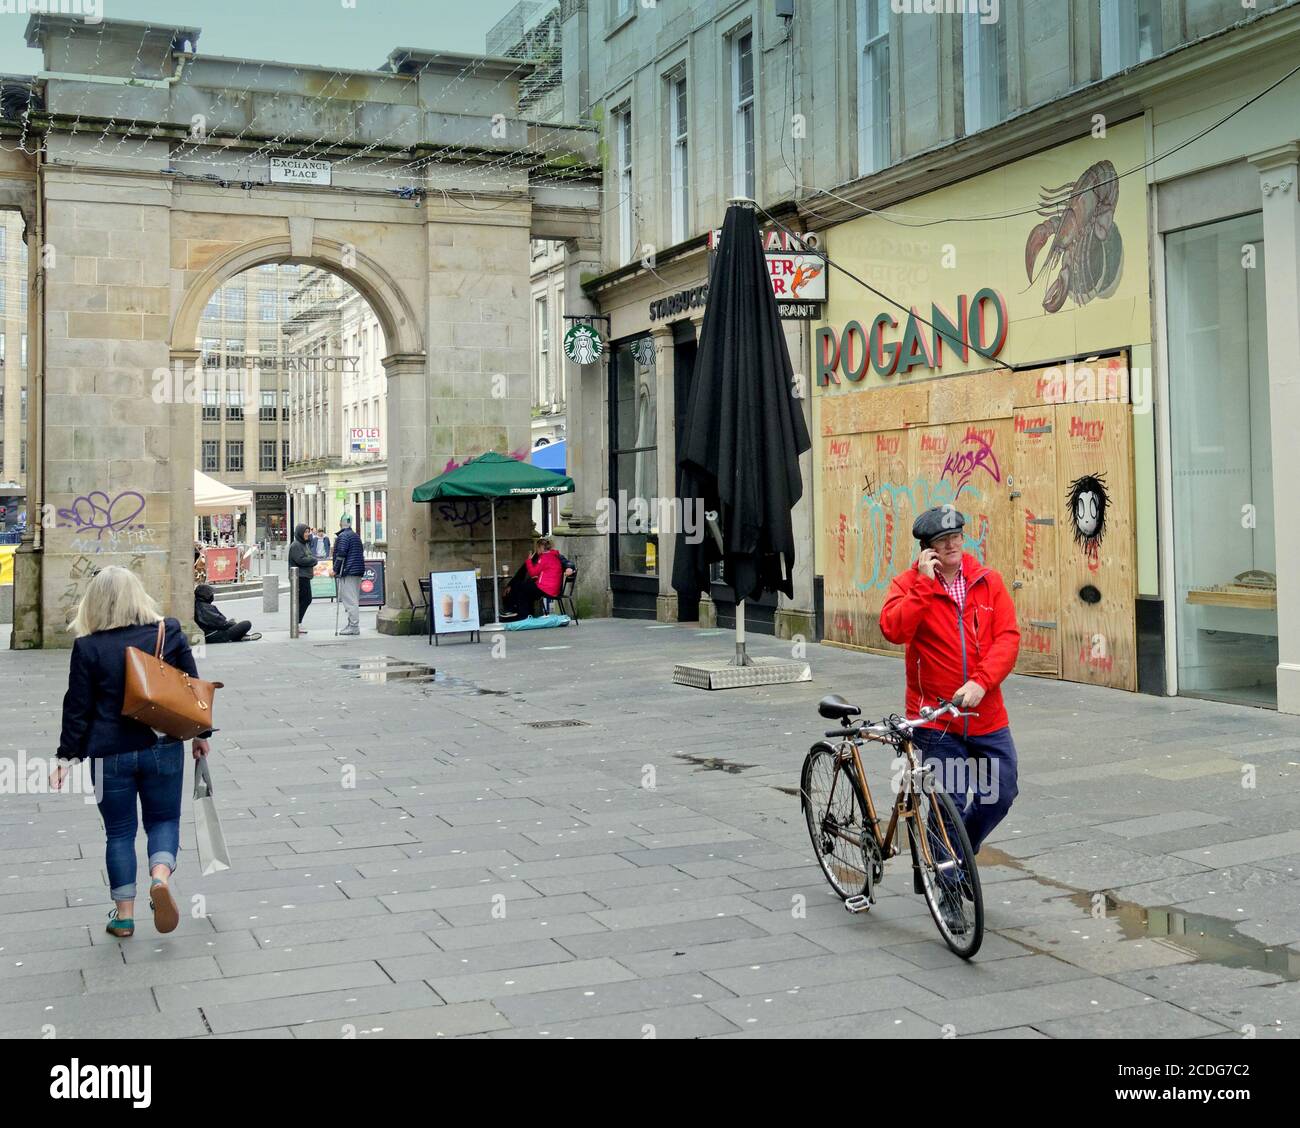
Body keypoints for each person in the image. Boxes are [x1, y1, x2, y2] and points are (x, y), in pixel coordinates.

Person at [51, 566, 212, 939]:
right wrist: (201, 735)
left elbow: (77, 708)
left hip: (110, 753)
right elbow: (192, 688)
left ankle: (123, 916)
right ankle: (160, 877)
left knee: (119, 832)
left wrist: (65, 758)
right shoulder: (167, 632)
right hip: (162, 744)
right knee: (163, 821)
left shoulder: (88, 647)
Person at [879, 505, 1021, 919]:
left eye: (956, 536)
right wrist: (923, 586)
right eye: (943, 541)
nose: (952, 544)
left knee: (1002, 791)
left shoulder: (988, 581)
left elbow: (1008, 639)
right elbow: (894, 630)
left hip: (985, 715)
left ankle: (956, 855)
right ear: (927, 550)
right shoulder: (908, 585)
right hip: (935, 720)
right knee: (950, 805)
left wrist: (981, 681)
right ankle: (949, 891)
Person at [503, 537, 564, 620]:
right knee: (526, 587)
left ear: (540, 548)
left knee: (519, 587)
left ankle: (522, 615)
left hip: (546, 589)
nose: (536, 550)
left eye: (537, 548)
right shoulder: (554, 555)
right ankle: (525, 613)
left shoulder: (544, 557)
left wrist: (528, 561)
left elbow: (533, 573)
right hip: (553, 589)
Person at [194, 584, 259, 643]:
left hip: (213, 633)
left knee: (233, 624)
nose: (212, 596)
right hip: (215, 636)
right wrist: (230, 623)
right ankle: (240, 637)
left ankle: (241, 636)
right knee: (246, 623)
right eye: (211, 594)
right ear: (206, 595)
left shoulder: (200, 605)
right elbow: (221, 623)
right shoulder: (204, 607)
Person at [333, 514, 365, 635]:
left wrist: (335, 570)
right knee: (354, 599)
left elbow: (341, 554)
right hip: (356, 571)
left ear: (340, 523)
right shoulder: (355, 536)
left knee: (350, 601)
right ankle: (352, 623)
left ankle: (353, 625)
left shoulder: (343, 536)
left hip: (348, 572)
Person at [288, 523, 316, 632]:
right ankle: (296, 623)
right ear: (300, 533)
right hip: (299, 576)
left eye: (308, 532)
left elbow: (307, 556)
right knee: (306, 599)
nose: (307, 534)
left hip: (305, 575)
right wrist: (313, 561)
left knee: (304, 599)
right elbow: (300, 560)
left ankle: (297, 623)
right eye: (305, 532)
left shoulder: (305, 544)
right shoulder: (296, 545)